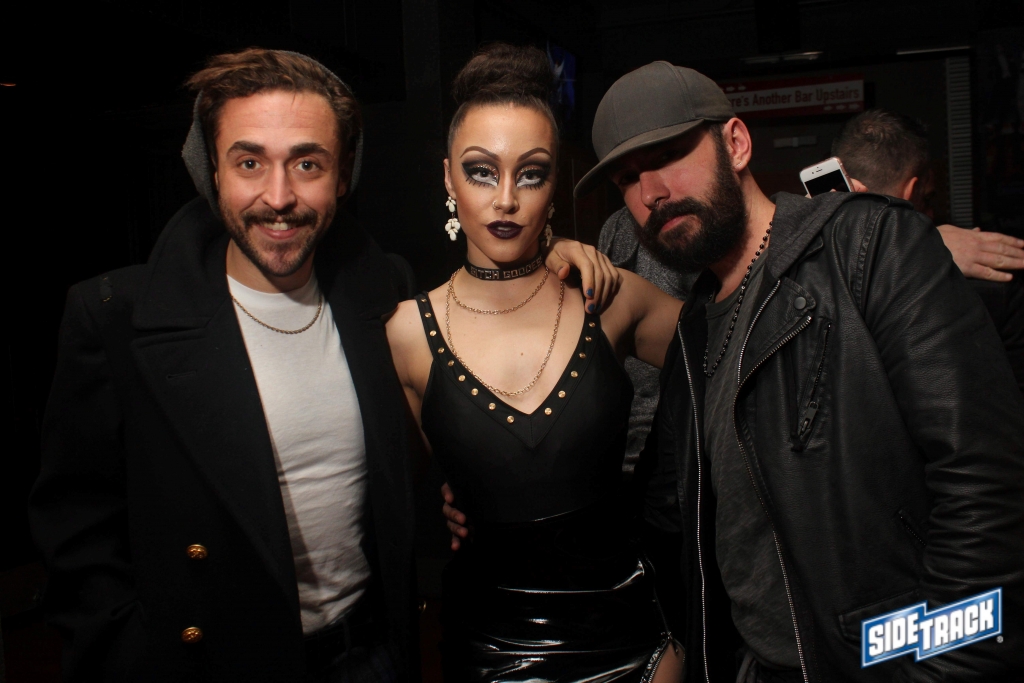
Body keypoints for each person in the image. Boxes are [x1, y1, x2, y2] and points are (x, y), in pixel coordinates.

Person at [28, 47, 610, 682]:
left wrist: (553, 251)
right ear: (212, 172)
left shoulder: (381, 291)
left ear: (343, 175)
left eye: (307, 163)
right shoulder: (116, 318)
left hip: (367, 657)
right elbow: (77, 542)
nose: (278, 197)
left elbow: (426, 431)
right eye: (250, 162)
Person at [449, 61, 1024, 682]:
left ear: (737, 144)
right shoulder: (693, 328)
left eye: (668, 156)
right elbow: (661, 519)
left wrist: (943, 668)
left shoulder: (869, 248)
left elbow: (987, 490)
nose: (651, 192)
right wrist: (503, 483)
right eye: (628, 178)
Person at [385, 44, 687, 682]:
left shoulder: (609, 297)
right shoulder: (407, 334)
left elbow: (743, 341)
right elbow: (388, 504)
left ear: (555, 186)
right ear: (448, 179)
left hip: (634, 642)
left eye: (531, 174)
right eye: (481, 171)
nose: (506, 200)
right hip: (487, 646)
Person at [833, 108, 1024, 394]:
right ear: (912, 191)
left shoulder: (792, 280)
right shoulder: (990, 289)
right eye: (929, 197)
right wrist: (924, 247)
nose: (933, 213)